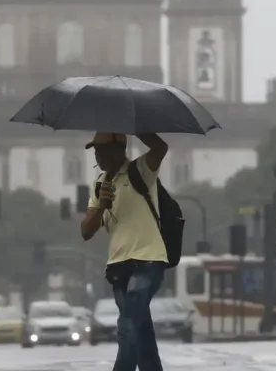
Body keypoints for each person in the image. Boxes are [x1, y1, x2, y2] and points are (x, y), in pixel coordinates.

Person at [80, 132, 168, 371]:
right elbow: (86, 231)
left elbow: (160, 147)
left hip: (148, 261)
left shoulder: (140, 169)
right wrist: (101, 205)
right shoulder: (100, 183)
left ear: (117, 150)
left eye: (100, 150)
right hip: (118, 267)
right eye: (95, 150)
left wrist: (137, 125)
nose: (96, 155)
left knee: (127, 324)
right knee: (142, 335)